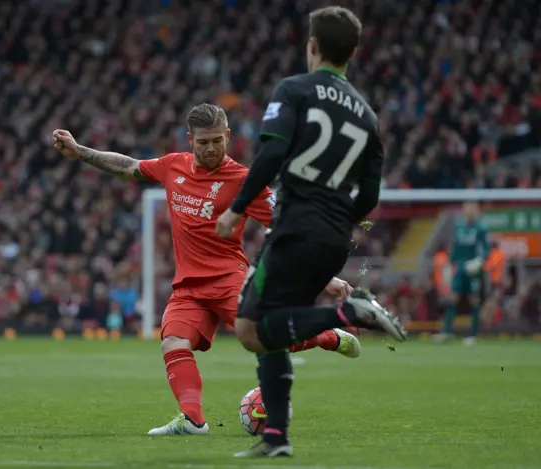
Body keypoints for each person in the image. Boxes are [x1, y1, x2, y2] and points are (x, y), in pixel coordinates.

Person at [51, 103, 362, 438]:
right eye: (203, 142)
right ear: (190, 140)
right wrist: (80, 151)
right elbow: (128, 166)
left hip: (230, 278)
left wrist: (324, 277)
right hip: (189, 285)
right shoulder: (173, 166)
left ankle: (329, 336)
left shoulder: (245, 180)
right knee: (172, 342)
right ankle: (193, 420)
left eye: (218, 140)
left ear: (228, 136)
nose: (211, 148)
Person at [215, 6, 407, 458]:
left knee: (249, 328)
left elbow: (271, 156)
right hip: (334, 237)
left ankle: (347, 315)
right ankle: (277, 438)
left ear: (313, 45)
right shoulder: (367, 115)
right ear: (354, 53)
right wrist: (343, 222)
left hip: (296, 226)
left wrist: (236, 209)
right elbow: (371, 195)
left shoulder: (295, 90)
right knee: (274, 327)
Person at [434, 202, 489, 345]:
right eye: (467, 208)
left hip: (474, 268)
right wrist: (450, 263)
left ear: (477, 211)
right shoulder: (459, 226)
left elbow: (486, 249)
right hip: (460, 267)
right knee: (453, 298)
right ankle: (446, 332)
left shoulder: (481, 228)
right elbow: (456, 247)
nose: (469, 211)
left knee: (474, 300)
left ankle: (473, 335)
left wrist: (480, 261)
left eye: (472, 208)